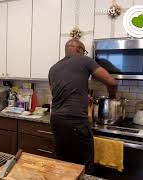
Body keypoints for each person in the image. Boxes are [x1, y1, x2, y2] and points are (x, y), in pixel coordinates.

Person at [48, 38, 117, 173]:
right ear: (79, 49)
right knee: (83, 165)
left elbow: (56, 94)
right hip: (75, 121)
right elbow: (111, 82)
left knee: (62, 162)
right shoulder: (84, 60)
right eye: (84, 51)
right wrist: (113, 97)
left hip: (56, 120)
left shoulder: (53, 68)